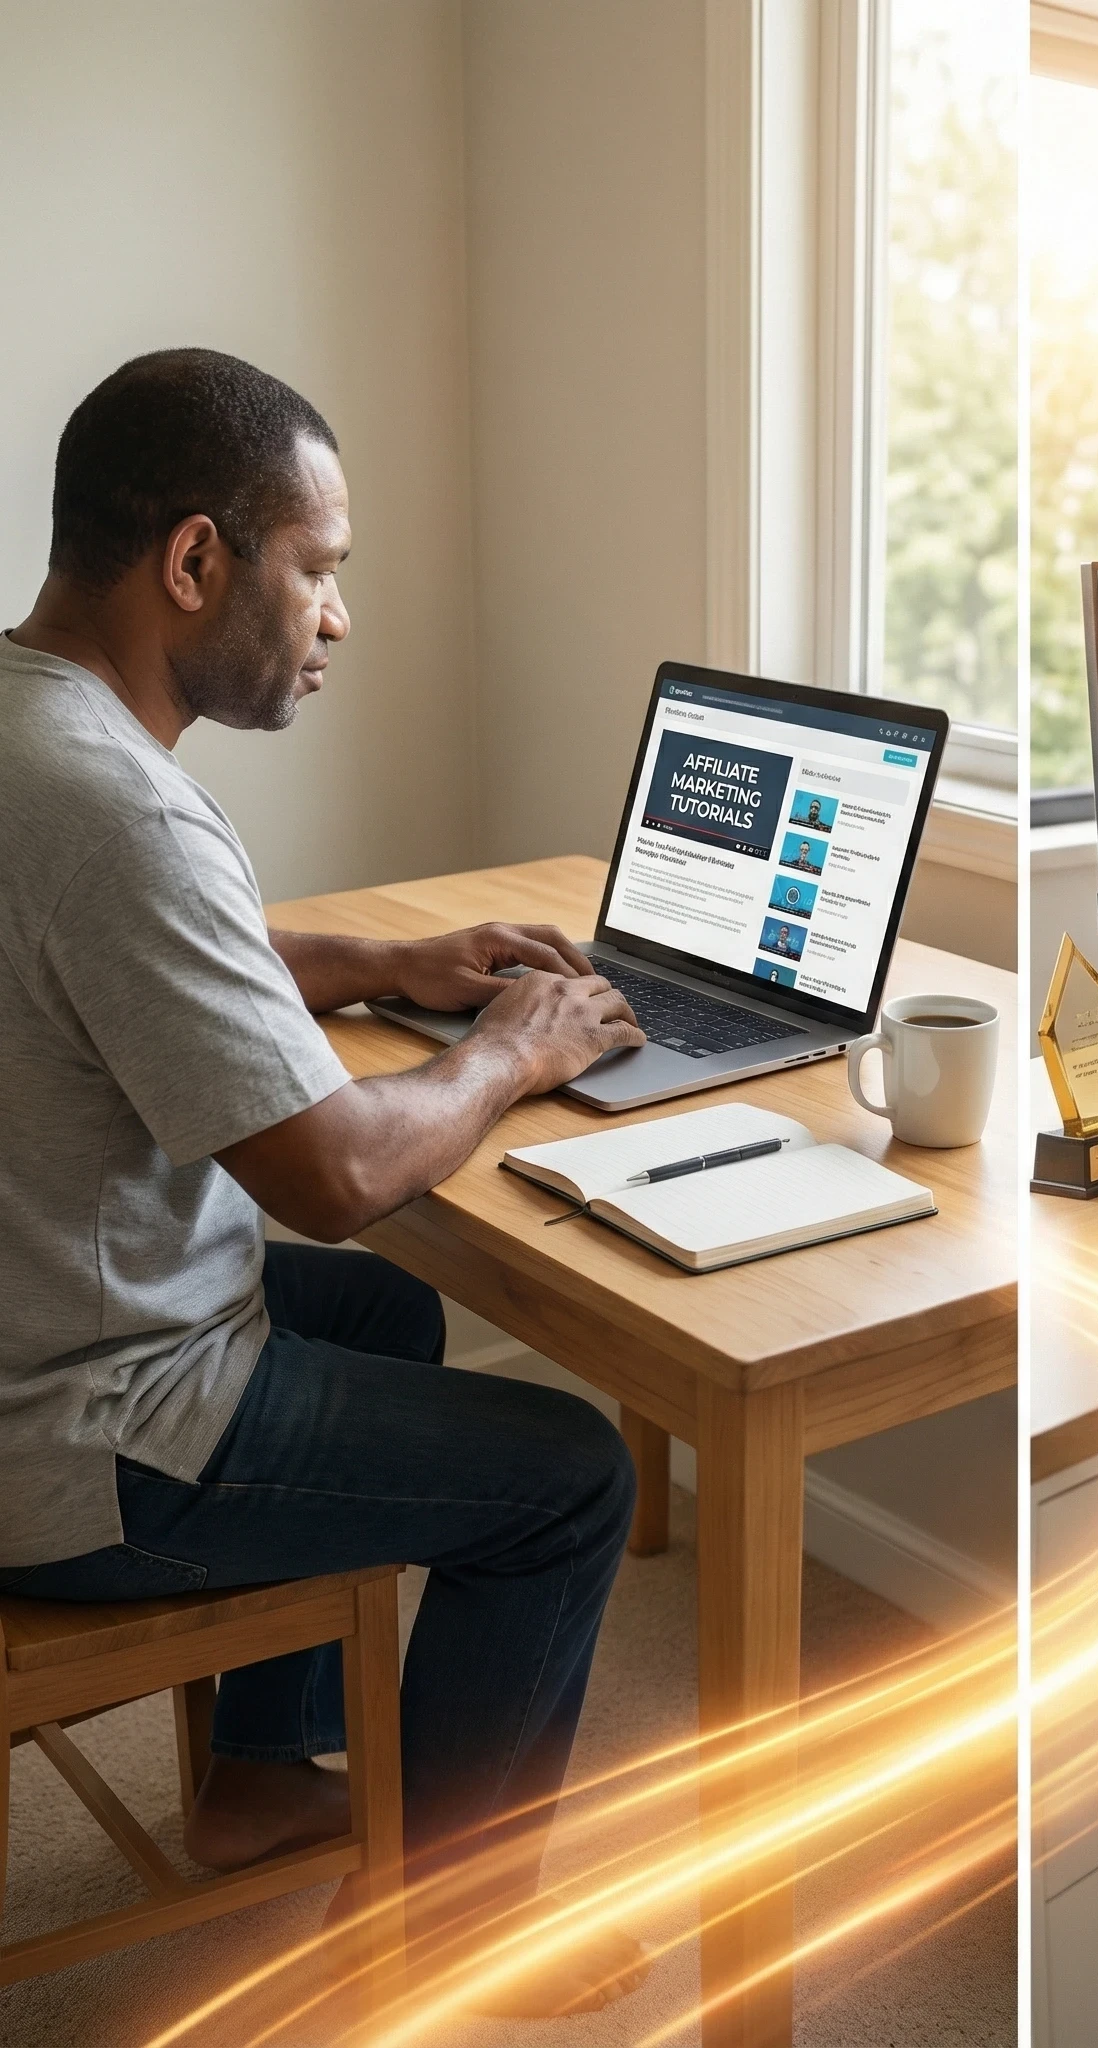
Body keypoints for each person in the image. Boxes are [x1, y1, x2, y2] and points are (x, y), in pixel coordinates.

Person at [0, 350, 653, 2009]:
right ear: (199, 561)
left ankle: (251, 1783)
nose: (338, 619)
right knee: (570, 1472)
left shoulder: (32, 731)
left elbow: (141, 957)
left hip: (39, 1333)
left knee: (375, 1323)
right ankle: (466, 1926)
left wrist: (389, 962)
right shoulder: (120, 812)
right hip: (82, 1430)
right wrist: (514, 1048)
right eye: (323, 569)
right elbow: (338, 1177)